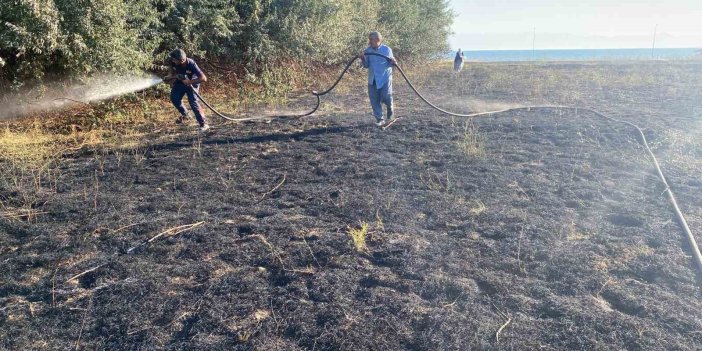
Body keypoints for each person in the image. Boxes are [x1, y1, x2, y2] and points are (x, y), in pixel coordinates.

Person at [164, 49, 209, 132]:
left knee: (193, 102)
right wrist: (169, 75)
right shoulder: (172, 60)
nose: (173, 61)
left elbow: (204, 78)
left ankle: (204, 124)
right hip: (180, 81)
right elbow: (171, 69)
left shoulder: (191, 64)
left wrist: (190, 82)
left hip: (192, 83)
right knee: (174, 98)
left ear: (182, 60)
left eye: (174, 60)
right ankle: (186, 115)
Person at [359, 32, 397, 127]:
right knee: (374, 100)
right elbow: (366, 65)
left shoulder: (387, 49)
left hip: (385, 78)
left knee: (386, 96)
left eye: (371, 39)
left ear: (377, 40)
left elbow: (392, 63)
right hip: (373, 79)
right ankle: (380, 119)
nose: (369, 41)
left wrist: (393, 62)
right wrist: (363, 59)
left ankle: (390, 109)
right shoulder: (367, 50)